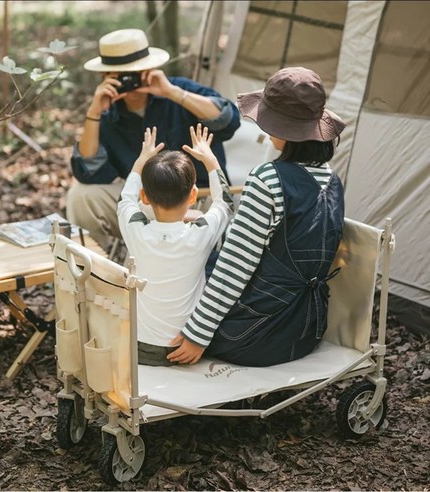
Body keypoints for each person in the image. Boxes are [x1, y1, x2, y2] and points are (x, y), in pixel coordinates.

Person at [167, 66, 346, 366]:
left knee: (187, 268)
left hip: (255, 334)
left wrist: (198, 335)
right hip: (306, 328)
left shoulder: (268, 179)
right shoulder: (333, 180)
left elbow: (235, 265)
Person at [67, 28, 240, 248]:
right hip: (144, 202)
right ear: (105, 77)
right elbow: (88, 172)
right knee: (80, 196)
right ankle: (91, 276)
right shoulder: (108, 115)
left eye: (135, 73)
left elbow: (229, 120)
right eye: (121, 76)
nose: (130, 81)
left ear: (150, 68)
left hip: (197, 200)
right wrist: (93, 114)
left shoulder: (179, 90)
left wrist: (173, 93)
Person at [117, 124, 234, 366]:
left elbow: (125, 198)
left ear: (145, 198)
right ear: (193, 197)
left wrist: (141, 161)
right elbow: (225, 201)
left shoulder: (136, 230)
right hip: (186, 345)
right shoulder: (200, 235)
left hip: (138, 347)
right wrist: (210, 159)